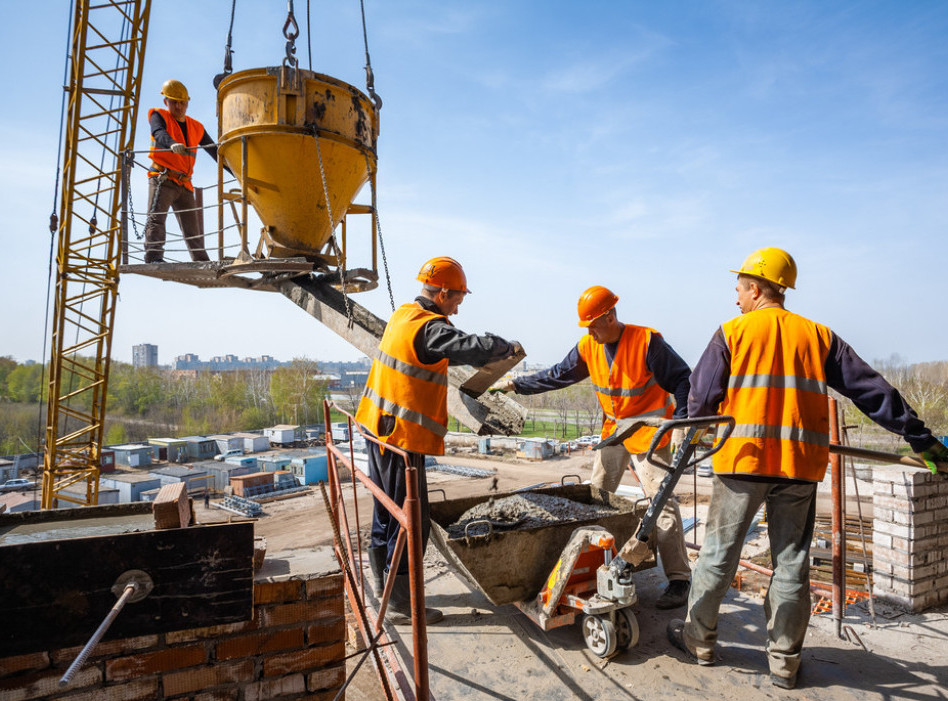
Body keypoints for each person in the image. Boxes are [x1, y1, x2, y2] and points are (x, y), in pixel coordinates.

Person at [668, 247, 948, 689]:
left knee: (719, 556)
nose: (735, 298)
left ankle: (698, 640)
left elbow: (701, 400)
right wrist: (920, 437)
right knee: (792, 564)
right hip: (799, 466)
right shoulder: (819, 336)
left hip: (742, 462)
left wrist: (695, 434)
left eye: (739, 289)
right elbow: (872, 391)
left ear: (756, 289)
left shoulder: (732, 332)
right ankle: (784, 662)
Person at [493, 285, 694, 610]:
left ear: (610, 316)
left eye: (593, 325)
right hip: (615, 428)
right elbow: (558, 375)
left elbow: (683, 380)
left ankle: (680, 579)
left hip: (651, 429)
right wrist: (517, 384)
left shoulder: (647, 342)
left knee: (662, 500)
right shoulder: (589, 345)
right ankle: (592, 562)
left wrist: (681, 424)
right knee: (597, 494)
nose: (589, 332)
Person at [355, 256, 521, 624]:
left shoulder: (403, 315)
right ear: (443, 292)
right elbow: (469, 346)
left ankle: (383, 588)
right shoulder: (429, 329)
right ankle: (400, 604)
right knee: (411, 519)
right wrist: (503, 346)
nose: (459, 305)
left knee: (386, 512)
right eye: (458, 297)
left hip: (377, 428)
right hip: (401, 437)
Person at [144, 79, 221, 263]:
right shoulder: (159, 115)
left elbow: (215, 152)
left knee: (192, 228)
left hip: (184, 182)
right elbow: (158, 133)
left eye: (182, 102)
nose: (178, 106)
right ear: (166, 102)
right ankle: (154, 256)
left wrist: (236, 172)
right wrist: (172, 144)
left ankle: (201, 261)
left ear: (187, 102)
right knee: (157, 220)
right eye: (174, 102)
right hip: (162, 178)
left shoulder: (196, 127)